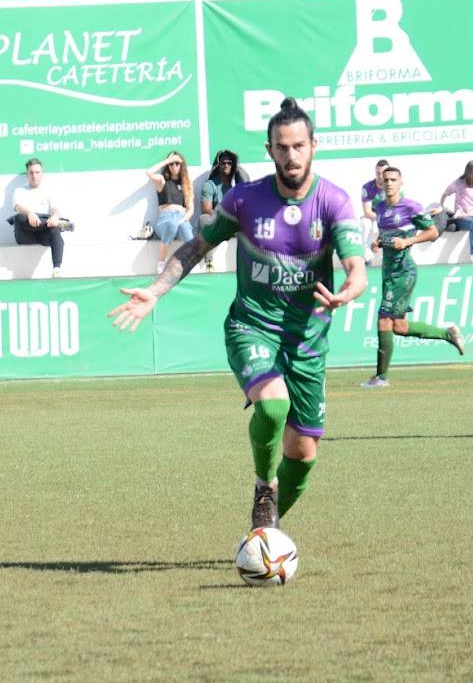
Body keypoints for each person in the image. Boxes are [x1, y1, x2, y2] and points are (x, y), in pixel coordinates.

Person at [110, 98, 368, 529]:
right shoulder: (245, 200)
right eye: (282, 147)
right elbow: (196, 246)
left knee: (303, 455)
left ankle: (263, 532)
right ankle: (264, 487)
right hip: (252, 327)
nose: (291, 155)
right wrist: (156, 291)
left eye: (299, 146)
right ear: (269, 151)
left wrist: (349, 290)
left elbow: (357, 268)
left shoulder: (334, 201)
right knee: (271, 406)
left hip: (307, 340)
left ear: (313, 146)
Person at [361, 166, 466, 389]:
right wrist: (378, 242)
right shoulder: (379, 206)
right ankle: (448, 334)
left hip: (403, 272)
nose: (389, 183)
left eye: (393, 180)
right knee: (398, 326)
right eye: (386, 179)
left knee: (383, 319)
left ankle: (381, 377)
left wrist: (408, 242)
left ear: (401, 183)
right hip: (388, 272)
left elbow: (433, 232)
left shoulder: (410, 207)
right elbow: (386, 232)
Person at [10, 157, 71, 278]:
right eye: (31, 173)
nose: (34, 175)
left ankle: (56, 270)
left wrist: (55, 216)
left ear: (42, 173)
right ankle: (61, 223)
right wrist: (30, 213)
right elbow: (17, 206)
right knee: (18, 218)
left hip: (44, 233)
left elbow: (55, 208)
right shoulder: (19, 191)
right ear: (27, 175)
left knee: (54, 230)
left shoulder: (49, 191)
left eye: (37, 172)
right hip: (25, 233)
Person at [145, 151, 194, 273]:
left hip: (182, 217)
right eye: (171, 163)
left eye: (177, 163)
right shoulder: (163, 180)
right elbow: (148, 172)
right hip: (166, 219)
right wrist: (167, 160)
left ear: (181, 165)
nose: (174, 166)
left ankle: (191, 263)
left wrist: (183, 220)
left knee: (187, 232)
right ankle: (162, 262)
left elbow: (191, 209)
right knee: (172, 224)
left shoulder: (186, 184)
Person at [359, 159, 390, 263]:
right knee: (365, 222)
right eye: (378, 173)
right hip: (373, 217)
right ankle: (367, 258)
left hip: (390, 217)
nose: (380, 176)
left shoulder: (394, 185)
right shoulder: (367, 187)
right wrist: (380, 218)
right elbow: (367, 212)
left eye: (383, 173)